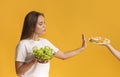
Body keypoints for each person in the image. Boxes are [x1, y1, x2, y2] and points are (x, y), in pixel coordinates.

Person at [15, 11, 87, 77]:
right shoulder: (23, 44)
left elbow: (63, 56)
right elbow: (18, 72)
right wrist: (34, 61)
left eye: (44, 23)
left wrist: (82, 48)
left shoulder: (45, 42)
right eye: (40, 24)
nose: (44, 26)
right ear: (31, 26)